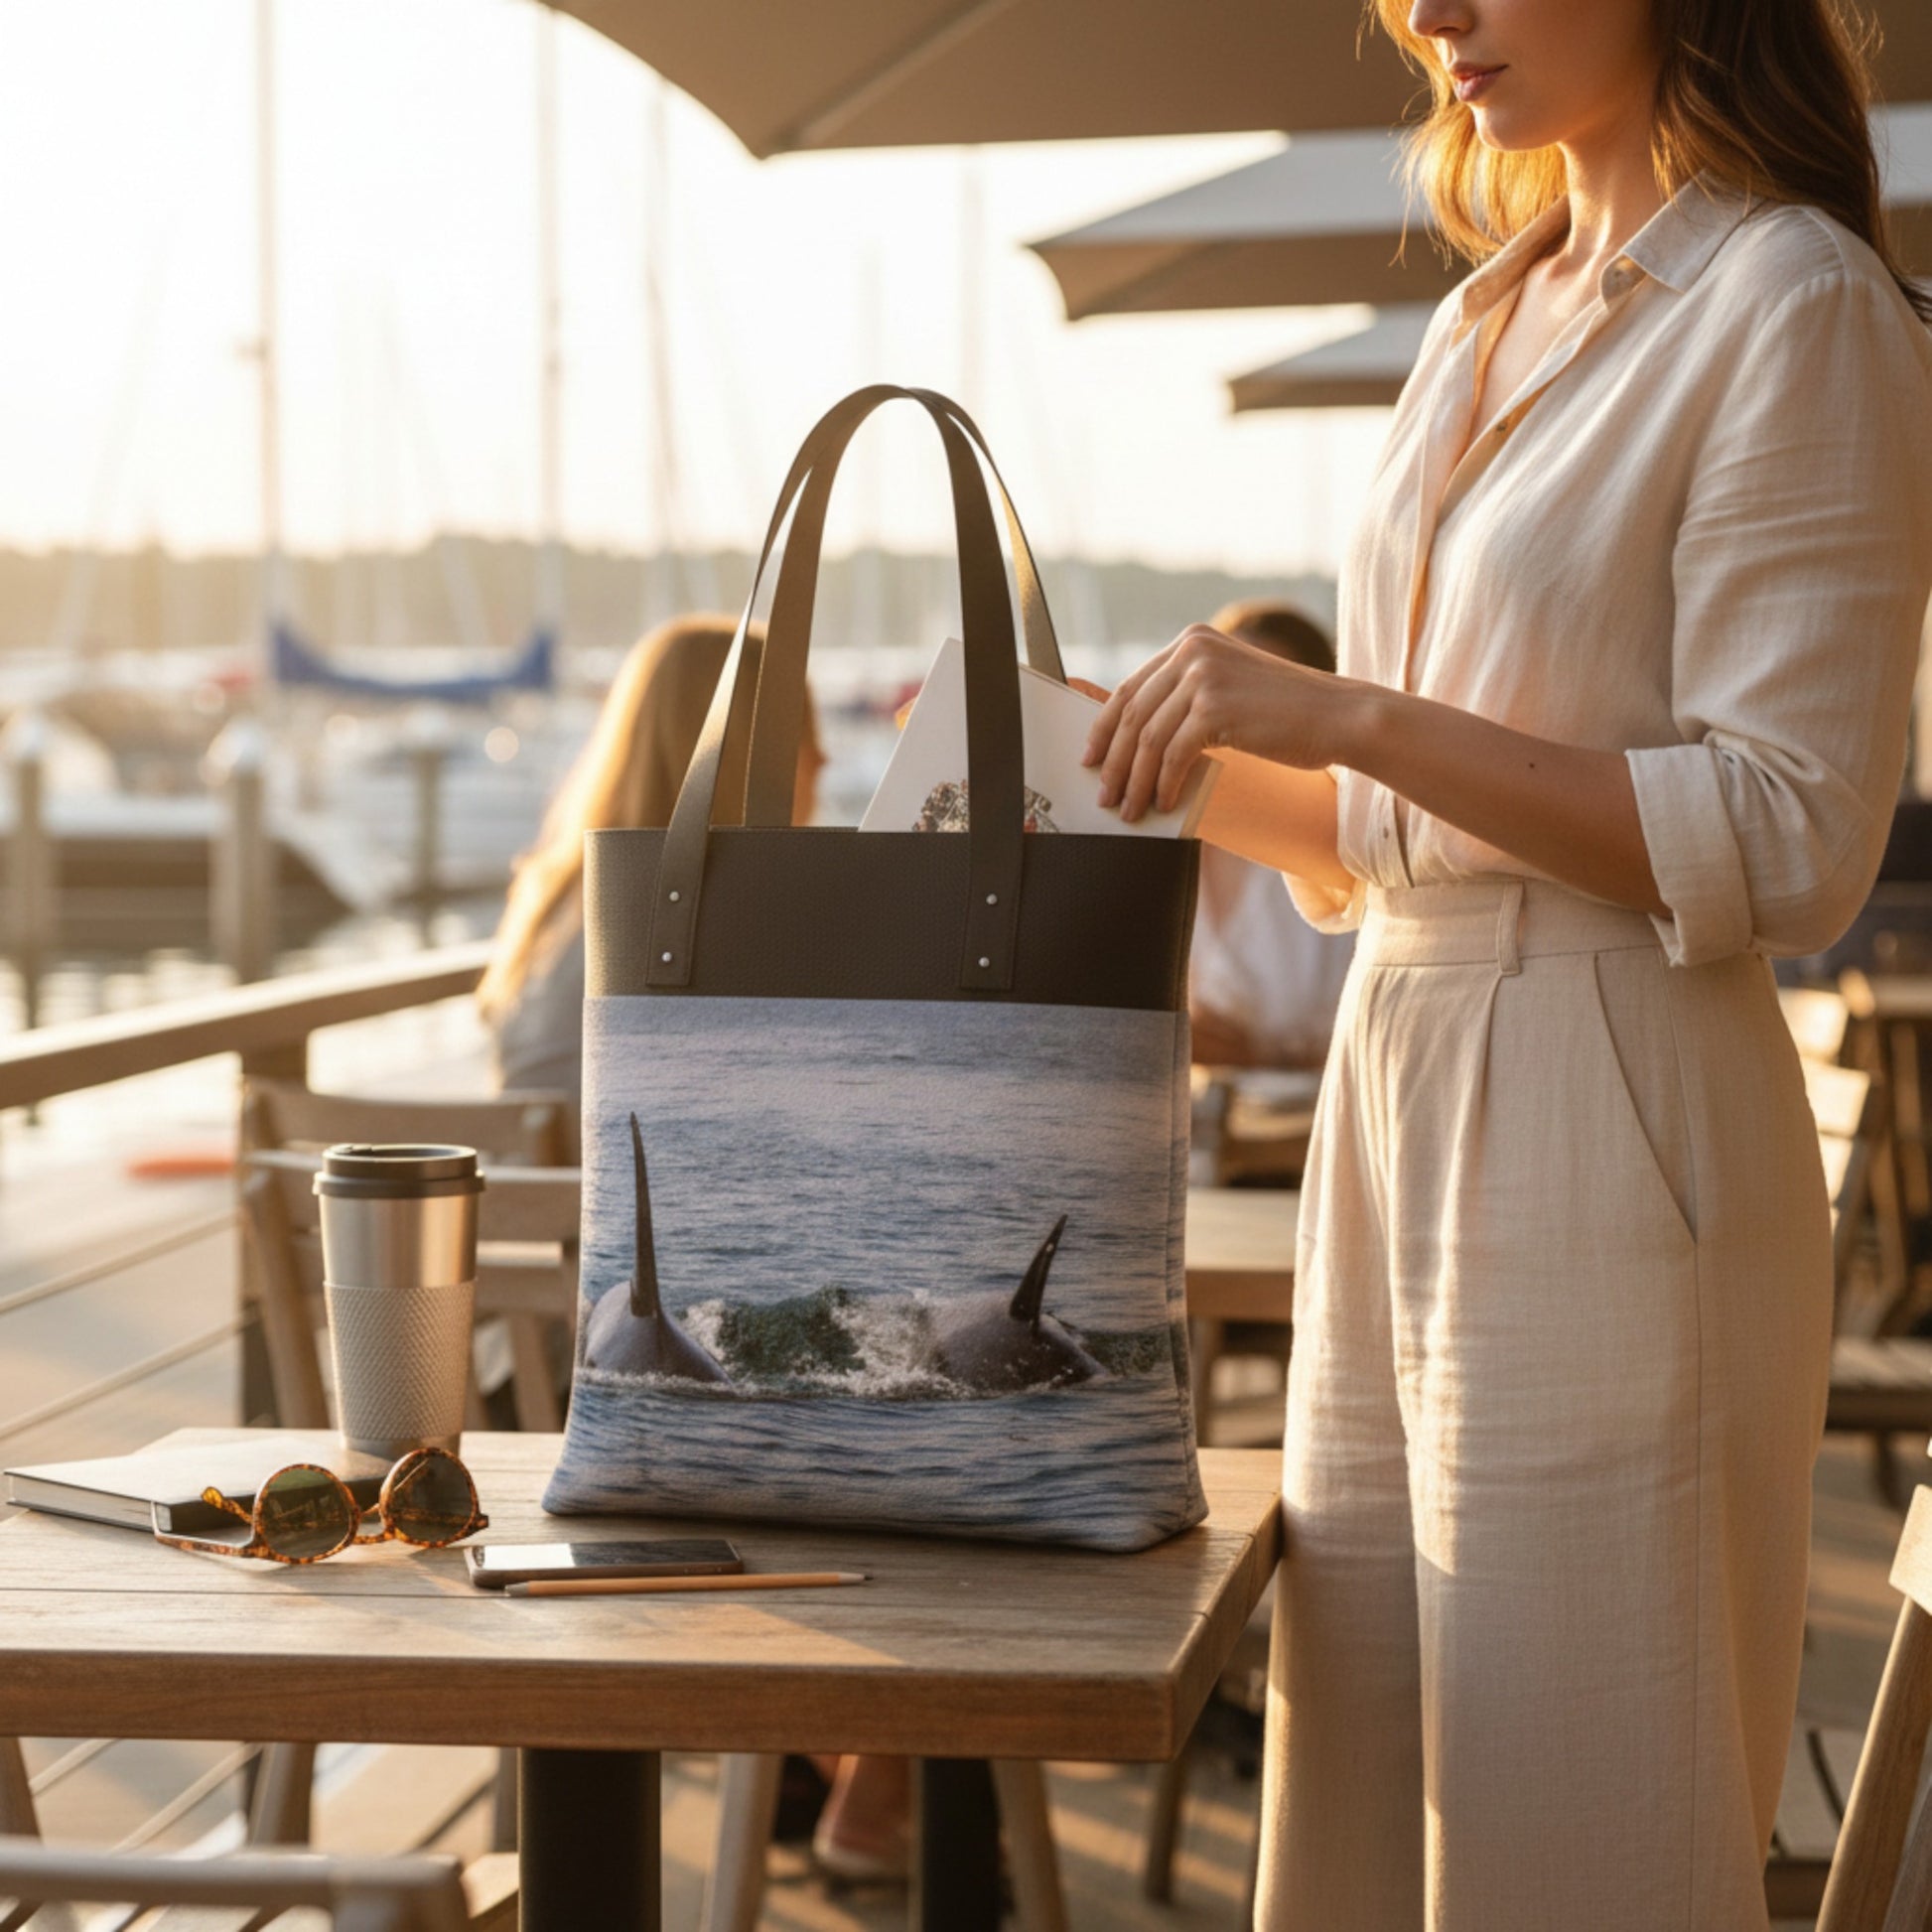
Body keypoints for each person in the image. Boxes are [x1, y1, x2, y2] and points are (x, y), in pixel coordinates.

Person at [1081, 0, 1932, 1922]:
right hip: (1396, 1096)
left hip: (1608, 1113)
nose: (1431, 12)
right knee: (1363, 1808)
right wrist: (1128, 761)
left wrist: (1350, 716)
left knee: (1575, 1826)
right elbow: (1401, 851)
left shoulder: (1793, 304)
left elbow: (1793, 831)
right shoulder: (1481, 318)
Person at [478, 614, 824, 1094]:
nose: (823, 757)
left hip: (521, 1168)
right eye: (803, 731)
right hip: (622, 1168)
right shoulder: (716, 921)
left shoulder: (556, 900)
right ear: (753, 757)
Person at [1190, 600, 1354, 1068]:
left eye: (1260, 699)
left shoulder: (1344, 871)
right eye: (1220, 692)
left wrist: (1259, 1057)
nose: (1233, 723)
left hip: (1299, 1134)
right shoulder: (1164, 846)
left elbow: (1384, 1044)